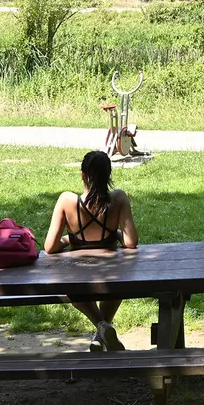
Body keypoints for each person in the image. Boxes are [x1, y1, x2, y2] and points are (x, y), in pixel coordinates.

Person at [42, 149, 139, 351]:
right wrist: (116, 235)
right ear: (108, 175)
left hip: (78, 270)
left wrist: (70, 238)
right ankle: (101, 331)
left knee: (72, 289)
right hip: (111, 269)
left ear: (83, 174)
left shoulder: (67, 201)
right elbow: (131, 242)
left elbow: (50, 247)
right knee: (117, 287)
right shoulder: (118, 198)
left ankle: (100, 327)